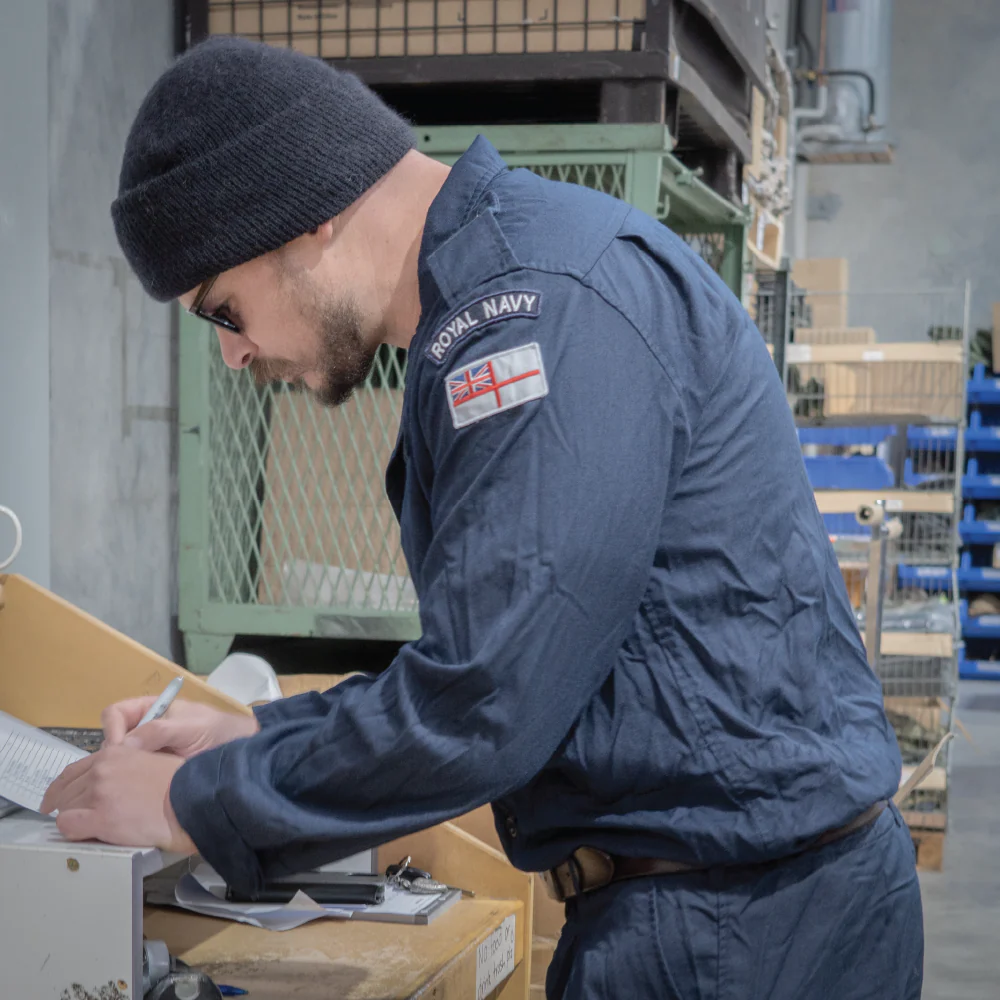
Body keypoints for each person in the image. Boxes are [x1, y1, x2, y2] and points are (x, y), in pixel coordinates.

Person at [41, 36, 923, 999]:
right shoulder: (511, 288)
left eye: (222, 309)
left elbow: (485, 700)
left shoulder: (533, 310)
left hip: (738, 930)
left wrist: (187, 800)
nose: (233, 356)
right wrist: (250, 741)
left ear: (305, 218)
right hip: (729, 906)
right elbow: (508, 667)